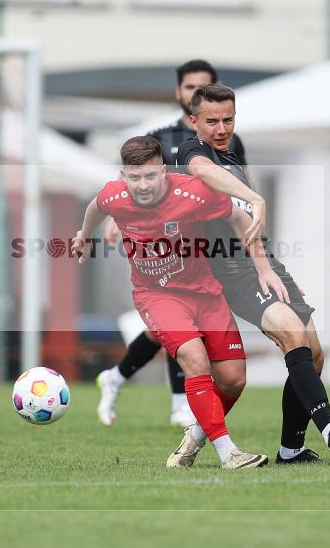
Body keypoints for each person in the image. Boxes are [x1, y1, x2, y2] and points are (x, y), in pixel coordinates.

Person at [172, 83, 330, 465]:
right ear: (194, 121)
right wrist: (256, 198)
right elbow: (204, 172)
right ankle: (329, 428)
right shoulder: (191, 153)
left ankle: (291, 450)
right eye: (212, 121)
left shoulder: (233, 157)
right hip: (231, 272)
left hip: (262, 265)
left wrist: (273, 268)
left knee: (313, 355)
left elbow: (247, 224)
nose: (221, 128)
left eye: (228, 119)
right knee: (291, 337)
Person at [74, 136, 279, 469]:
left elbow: (239, 219)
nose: (143, 185)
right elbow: (95, 208)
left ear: (164, 171)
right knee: (194, 359)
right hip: (156, 296)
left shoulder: (194, 193)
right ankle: (229, 454)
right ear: (123, 176)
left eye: (150, 176)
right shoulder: (114, 195)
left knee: (233, 379)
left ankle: (194, 438)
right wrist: (84, 237)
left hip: (204, 292)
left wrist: (264, 268)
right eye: (134, 177)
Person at [96, 59, 264, 428]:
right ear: (179, 93)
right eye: (189, 88)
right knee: (179, 325)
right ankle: (180, 404)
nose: (194, 94)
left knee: (168, 329)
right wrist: (112, 219)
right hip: (170, 245)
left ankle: (119, 377)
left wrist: (254, 228)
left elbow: (243, 186)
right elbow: (131, 182)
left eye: (202, 88)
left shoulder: (231, 141)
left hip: (215, 244)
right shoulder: (161, 137)